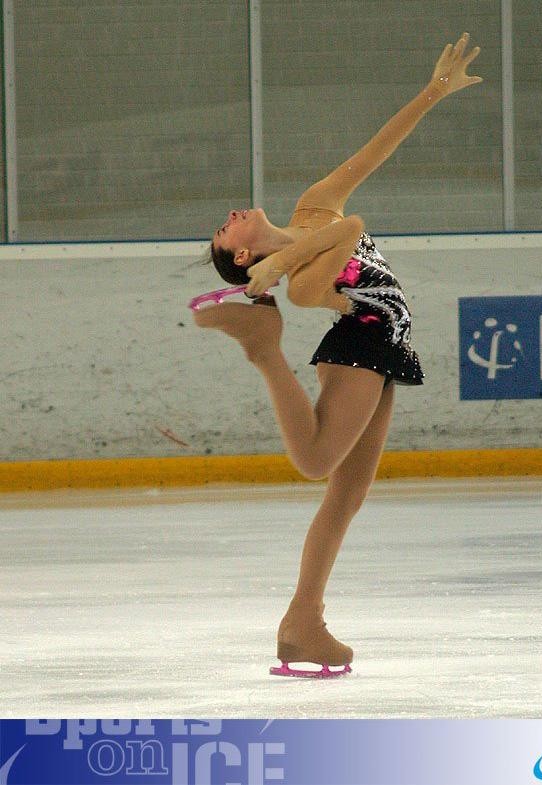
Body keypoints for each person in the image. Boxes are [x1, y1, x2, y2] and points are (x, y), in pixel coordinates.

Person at [194, 33, 482, 677]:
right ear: (242, 258)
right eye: (225, 229)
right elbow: (349, 232)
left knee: (347, 495)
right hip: (359, 345)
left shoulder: (311, 209)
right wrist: (282, 265)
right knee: (318, 461)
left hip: (388, 344)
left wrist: (433, 92)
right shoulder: (299, 283)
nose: (231, 214)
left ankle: (304, 623)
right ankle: (261, 350)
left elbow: (374, 152)